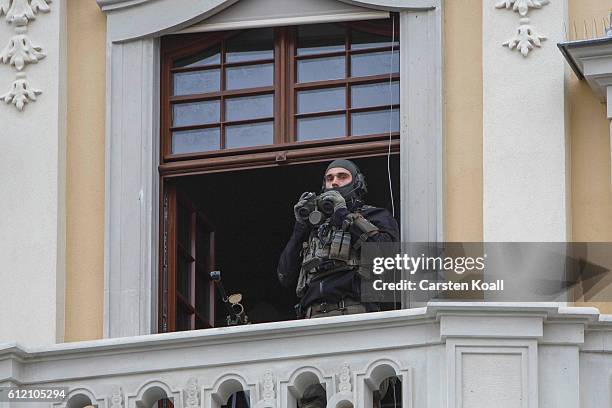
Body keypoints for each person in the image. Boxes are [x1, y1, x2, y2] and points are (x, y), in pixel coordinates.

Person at [277, 159, 399, 319]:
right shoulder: (313, 227)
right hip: (311, 317)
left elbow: (387, 255)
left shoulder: (374, 215)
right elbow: (285, 277)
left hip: (354, 312)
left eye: (342, 176)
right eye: (329, 178)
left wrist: (343, 215)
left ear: (357, 182)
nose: (334, 182)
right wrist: (300, 227)